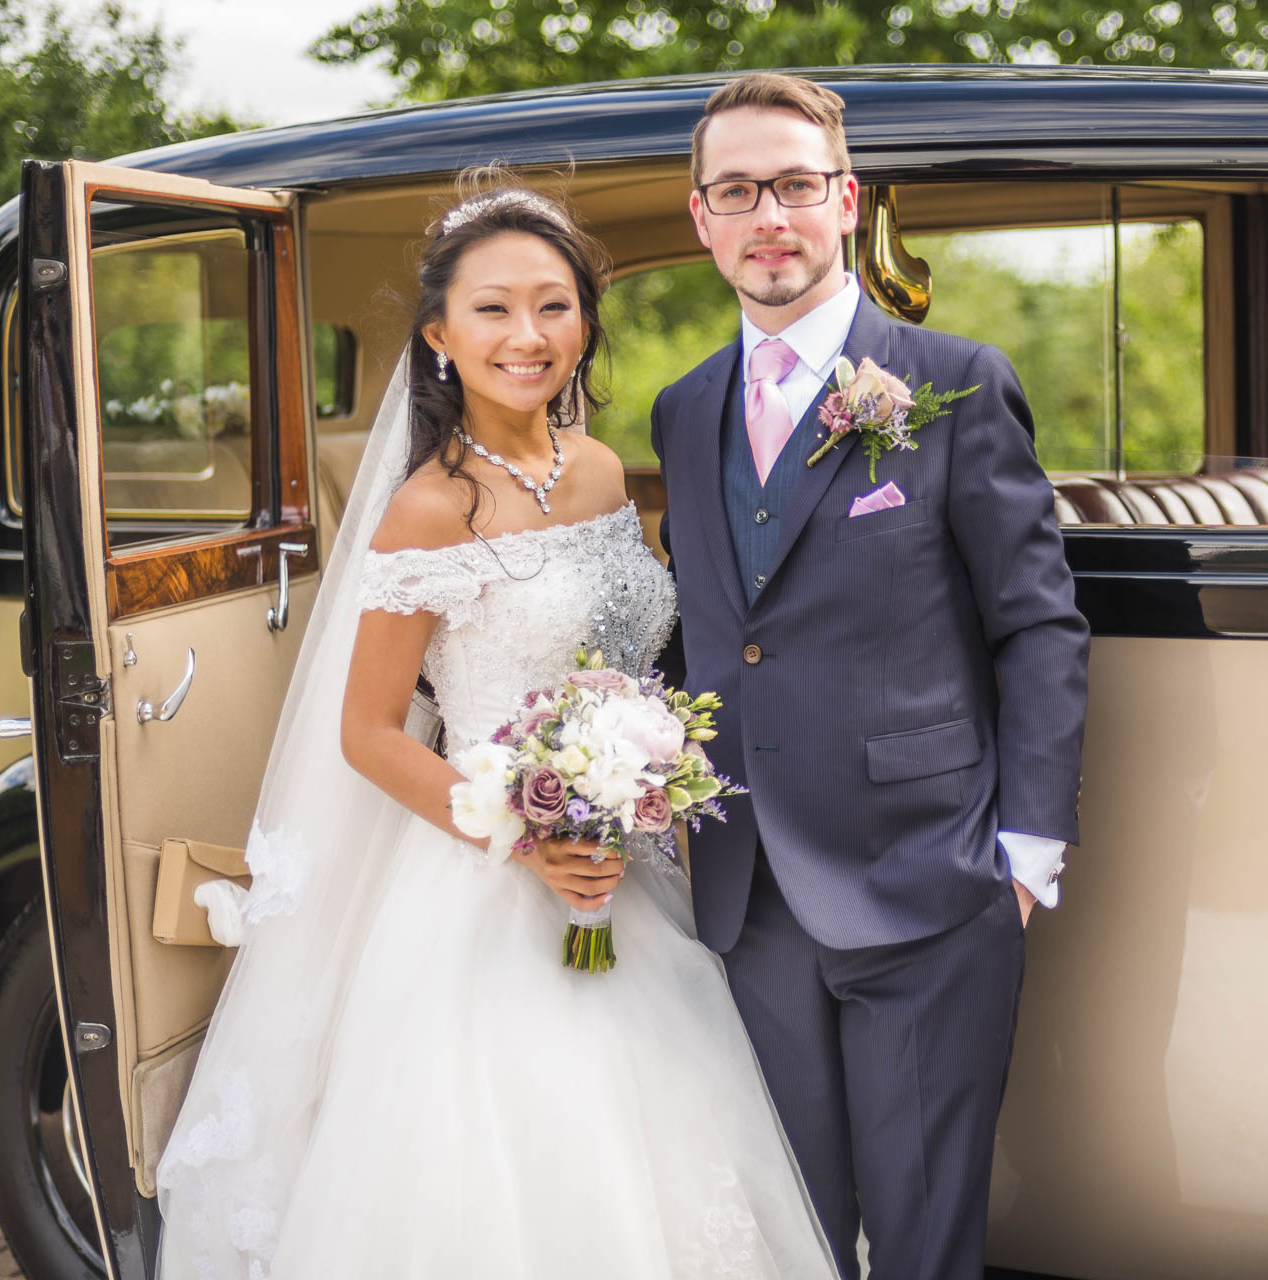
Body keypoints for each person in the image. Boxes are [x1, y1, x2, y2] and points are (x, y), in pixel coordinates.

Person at [154, 176, 839, 1279]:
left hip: (630, 870)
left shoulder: (607, 472)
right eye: (494, 309)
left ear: (584, 322)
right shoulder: (430, 505)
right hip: (487, 882)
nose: (528, 335)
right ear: (440, 334)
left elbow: (634, 656)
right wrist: (527, 831)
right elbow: (371, 732)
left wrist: (635, 778)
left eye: (554, 306)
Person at [651, 74, 1090, 1280]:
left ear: (844, 200)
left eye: (794, 185)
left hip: (929, 884)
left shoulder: (953, 382)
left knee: (922, 1245)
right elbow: (715, 634)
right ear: (702, 218)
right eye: (737, 191)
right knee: (789, 1240)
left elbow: (1038, 626)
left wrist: (1025, 854)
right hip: (748, 898)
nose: (768, 216)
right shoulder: (681, 412)